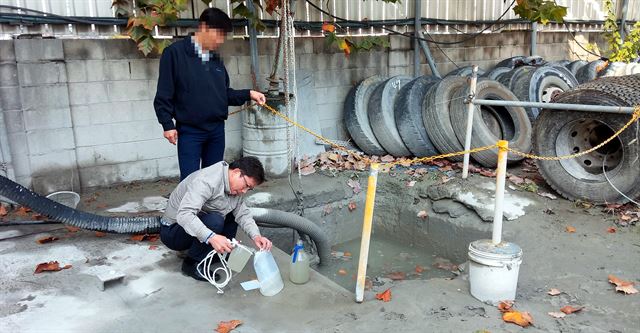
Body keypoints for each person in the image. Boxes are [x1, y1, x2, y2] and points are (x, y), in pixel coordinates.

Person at [154, 7, 267, 180]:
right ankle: (190, 208)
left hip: (216, 131)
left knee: (213, 180)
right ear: (204, 28)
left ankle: (212, 209)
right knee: (191, 182)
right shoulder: (175, 54)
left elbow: (225, 94)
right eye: (219, 34)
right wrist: (167, 124)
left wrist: (249, 94)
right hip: (190, 131)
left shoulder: (215, 60)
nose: (221, 40)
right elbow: (164, 93)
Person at [159, 156, 272, 281]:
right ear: (236, 172)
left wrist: (256, 236)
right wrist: (211, 237)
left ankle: (219, 253)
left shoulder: (234, 188)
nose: (245, 191)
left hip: (192, 224)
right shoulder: (207, 181)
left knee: (231, 214)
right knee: (215, 221)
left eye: (249, 189)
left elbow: (242, 213)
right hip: (173, 231)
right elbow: (185, 215)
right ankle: (191, 264)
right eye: (246, 185)